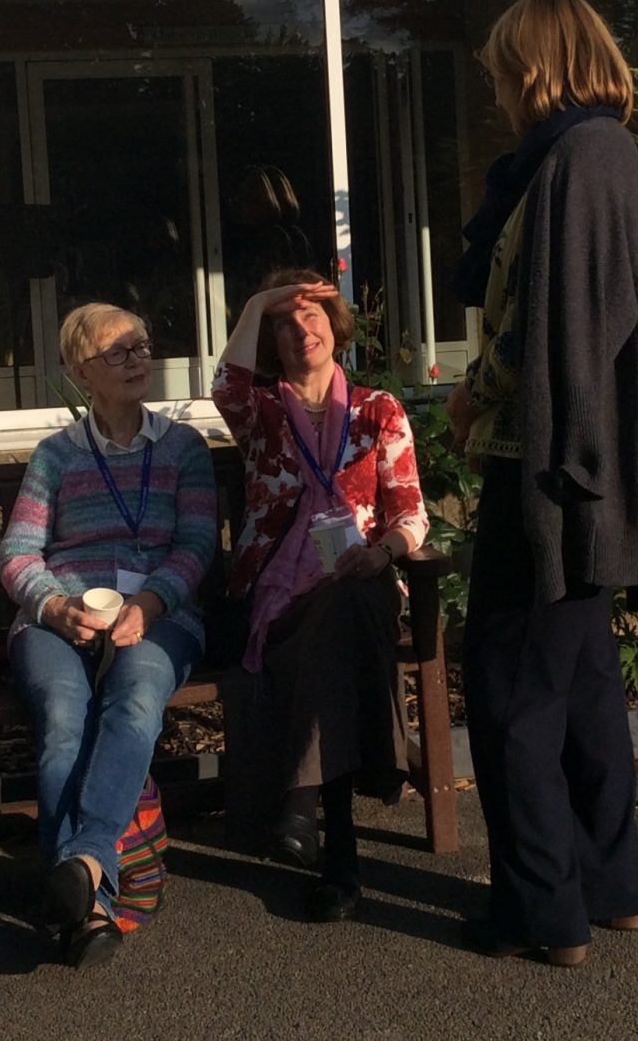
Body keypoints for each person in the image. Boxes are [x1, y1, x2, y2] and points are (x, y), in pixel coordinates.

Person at [446, 0, 638, 966]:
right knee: (585, 688)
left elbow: (557, 328)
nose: (498, 95)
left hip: (549, 476)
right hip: (567, 471)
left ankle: (542, 913)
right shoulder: (590, 156)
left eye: (503, 74)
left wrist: (473, 395)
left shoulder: (582, 157)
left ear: (537, 66)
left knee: (513, 696)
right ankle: (614, 887)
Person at [0, 302, 216, 969]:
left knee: (135, 699)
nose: (137, 359)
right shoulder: (57, 455)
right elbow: (18, 553)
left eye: (142, 346)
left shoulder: (183, 447)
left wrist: (150, 603)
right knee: (66, 717)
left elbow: (197, 543)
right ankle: (91, 901)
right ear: (79, 370)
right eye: (118, 351)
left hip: (157, 609)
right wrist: (54, 606)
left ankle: (83, 864)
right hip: (63, 614)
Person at [212, 268, 429, 922]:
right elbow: (225, 383)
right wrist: (258, 298)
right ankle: (364, 794)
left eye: (311, 315)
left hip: (361, 581)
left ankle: (308, 814)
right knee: (338, 618)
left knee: (349, 600)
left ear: (335, 329)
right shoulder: (262, 413)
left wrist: (381, 553)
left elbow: (412, 516)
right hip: (278, 597)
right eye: (284, 319)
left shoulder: (377, 410)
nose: (299, 327)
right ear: (269, 338)